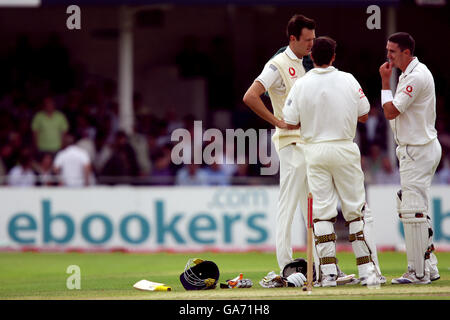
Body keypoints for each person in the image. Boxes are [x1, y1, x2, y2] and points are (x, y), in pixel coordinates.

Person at [243, 14, 353, 285]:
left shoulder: (307, 64)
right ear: (292, 38)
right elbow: (250, 96)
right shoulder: (277, 64)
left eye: (314, 39)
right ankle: (286, 267)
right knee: (289, 204)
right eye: (308, 40)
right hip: (291, 144)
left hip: (309, 145)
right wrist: (278, 122)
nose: (312, 44)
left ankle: (325, 267)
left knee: (314, 206)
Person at [283, 36, 384, 287]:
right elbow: (363, 114)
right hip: (343, 147)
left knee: (322, 212)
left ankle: (328, 273)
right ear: (334, 56)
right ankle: (367, 273)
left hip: (314, 150)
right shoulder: (348, 79)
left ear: (311, 57)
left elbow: (291, 121)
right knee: (355, 210)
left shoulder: (301, 84)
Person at [379, 32, 441, 284]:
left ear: (406, 52)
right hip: (418, 148)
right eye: (387, 50)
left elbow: (391, 112)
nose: (388, 55)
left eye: (393, 51)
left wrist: (384, 82)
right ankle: (430, 266)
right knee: (413, 206)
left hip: (418, 149)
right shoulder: (410, 73)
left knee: (413, 209)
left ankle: (417, 272)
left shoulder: (415, 76)